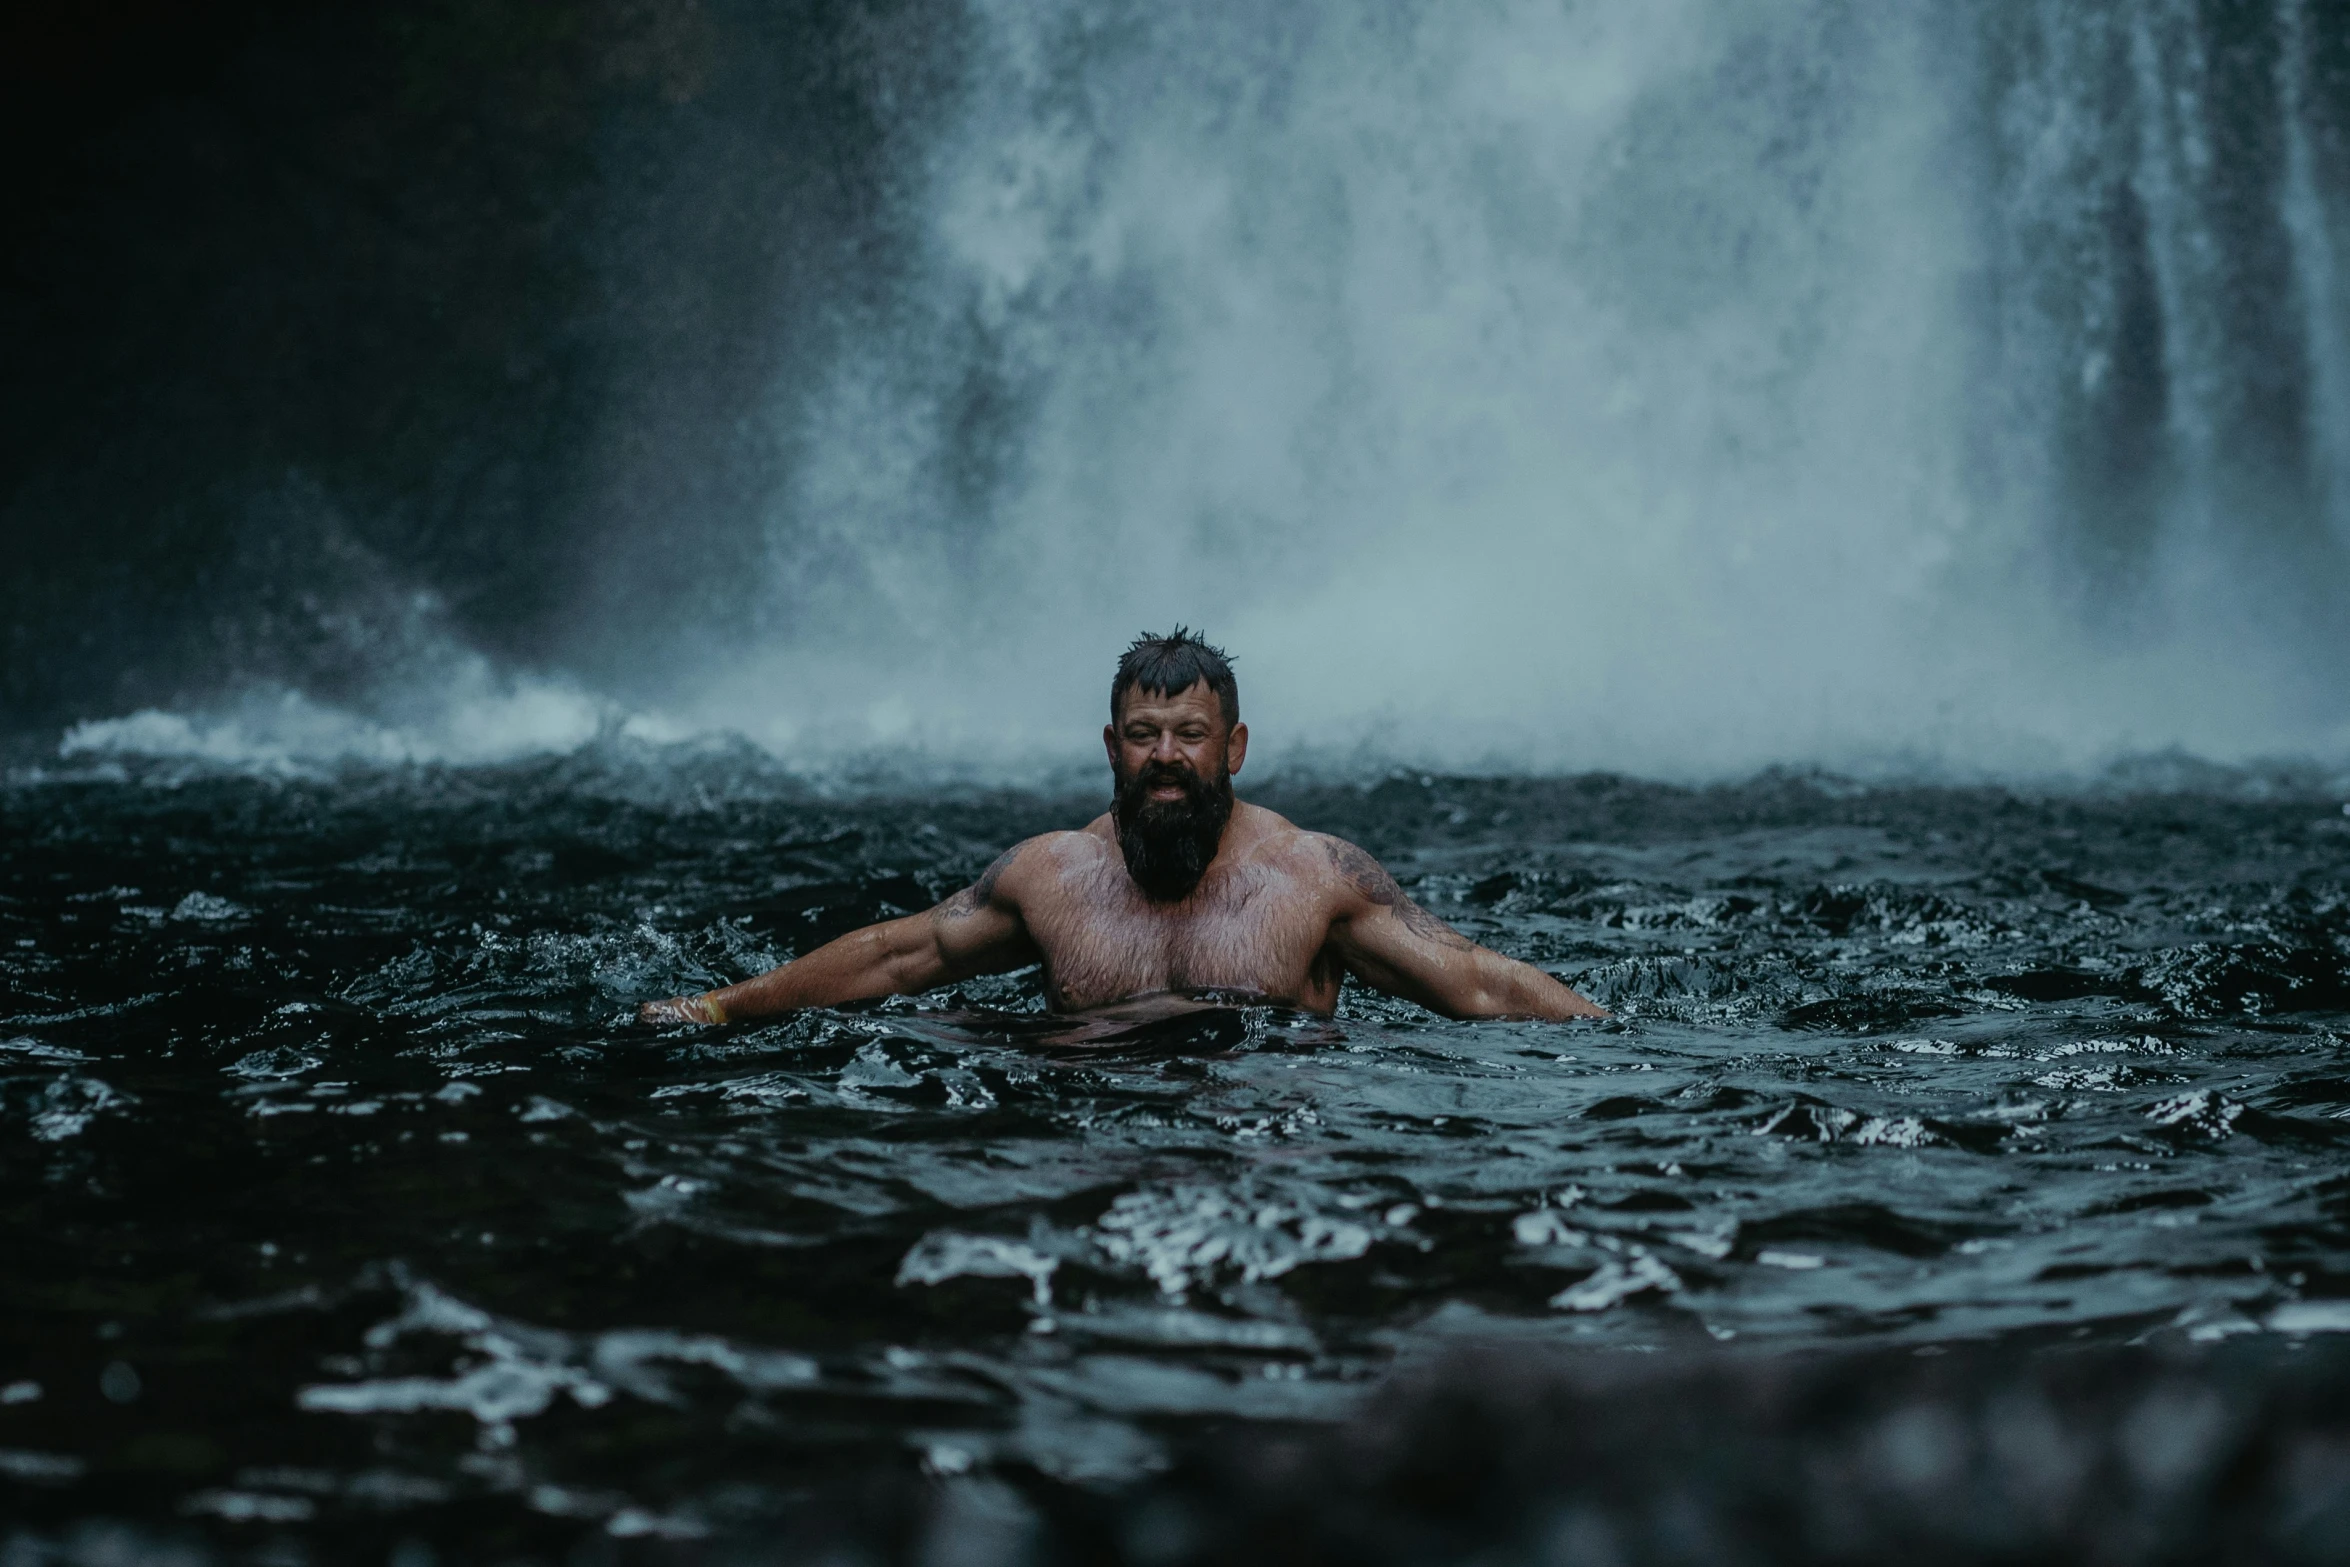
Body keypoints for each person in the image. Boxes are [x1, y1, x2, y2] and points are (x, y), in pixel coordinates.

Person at [638, 630, 1606, 1027]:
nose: (1166, 756)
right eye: (1144, 736)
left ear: (1234, 748)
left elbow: (1475, 977)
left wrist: (1615, 1039)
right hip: (1093, 1159)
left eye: (1190, 735)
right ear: (1111, 747)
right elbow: (900, 956)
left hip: (1268, 1174)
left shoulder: (1314, 877)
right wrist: (723, 1009)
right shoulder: (1052, 874)